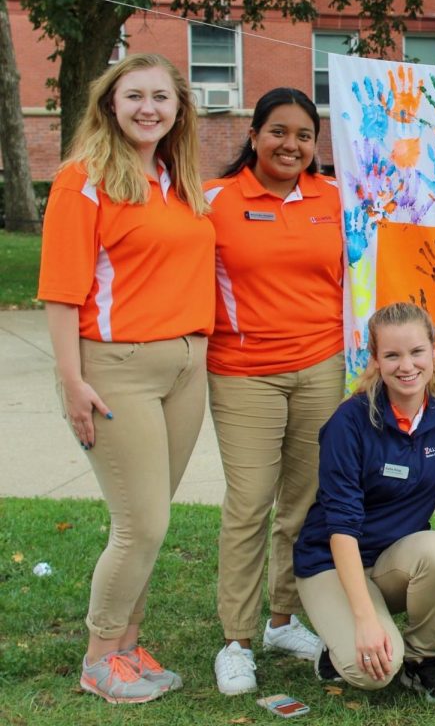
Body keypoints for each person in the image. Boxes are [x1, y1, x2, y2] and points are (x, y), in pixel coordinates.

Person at [37, 53, 214, 703]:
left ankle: (128, 648)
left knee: (155, 518)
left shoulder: (178, 180)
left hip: (186, 367)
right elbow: (59, 291)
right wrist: (70, 381)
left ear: (178, 109)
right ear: (110, 105)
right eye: (134, 95)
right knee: (140, 524)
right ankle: (97, 656)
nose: (148, 108)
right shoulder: (83, 180)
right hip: (117, 370)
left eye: (161, 97)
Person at [204, 89, 344, 694]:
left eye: (304, 135)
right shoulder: (213, 199)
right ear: (255, 134)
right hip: (243, 371)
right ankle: (235, 639)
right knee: (249, 504)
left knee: (304, 502)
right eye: (279, 132)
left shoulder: (335, 198)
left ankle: (282, 621)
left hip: (322, 365)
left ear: (317, 144)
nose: (291, 145)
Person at [292, 303, 435, 703]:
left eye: (416, 352)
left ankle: (423, 660)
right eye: (392, 355)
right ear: (375, 360)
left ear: (433, 350)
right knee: (373, 673)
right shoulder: (349, 423)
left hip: (393, 562)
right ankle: (340, 641)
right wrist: (364, 621)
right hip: (331, 562)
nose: (406, 366)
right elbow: (341, 529)